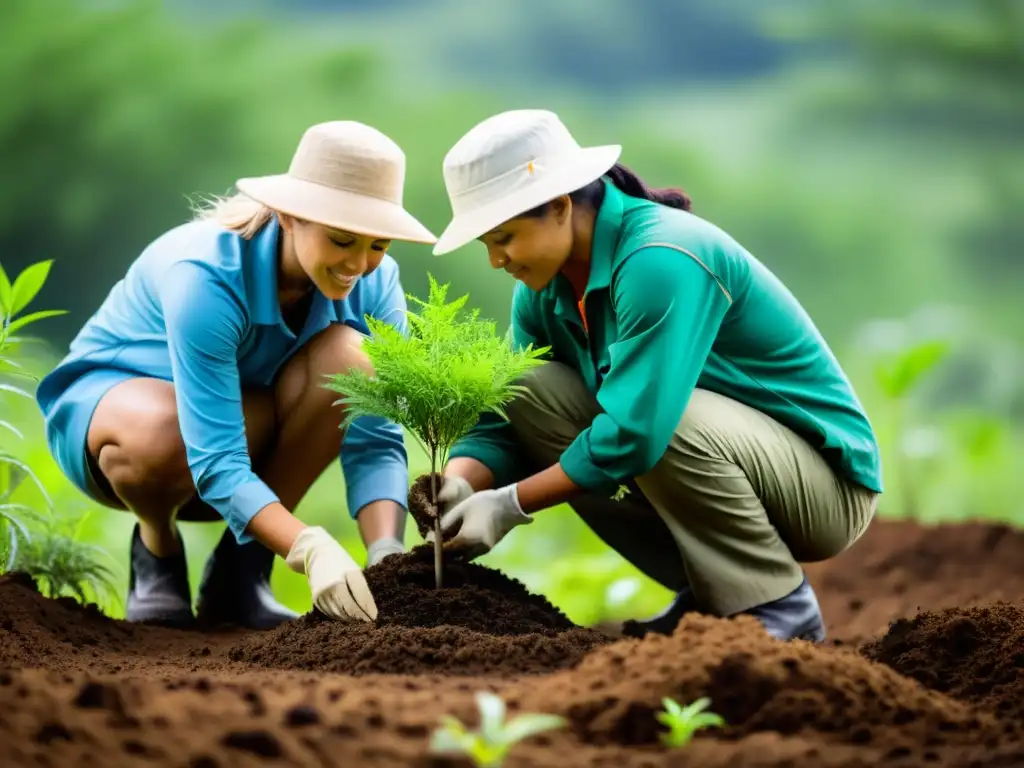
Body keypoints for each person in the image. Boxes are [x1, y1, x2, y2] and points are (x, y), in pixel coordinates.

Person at [427, 109, 882, 643]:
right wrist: (459, 484)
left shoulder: (658, 259)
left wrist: (511, 504)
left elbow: (637, 433)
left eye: (503, 237)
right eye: (486, 243)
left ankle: (777, 607)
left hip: (822, 489)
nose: (495, 260)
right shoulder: (541, 290)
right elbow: (504, 417)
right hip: (721, 459)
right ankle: (711, 596)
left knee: (657, 421)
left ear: (558, 205)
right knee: (524, 386)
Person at [36, 121, 436, 629]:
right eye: (342, 240)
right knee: (160, 432)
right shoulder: (205, 276)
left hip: (252, 423)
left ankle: (240, 574)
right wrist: (307, 546)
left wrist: (386, 555)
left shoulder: (375, 282)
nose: (359, 263)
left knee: (354, 360)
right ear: (291, 217)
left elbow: (376, 437)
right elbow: (217, 459)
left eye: (379, 245)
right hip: (127, 432)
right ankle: (156, 548)